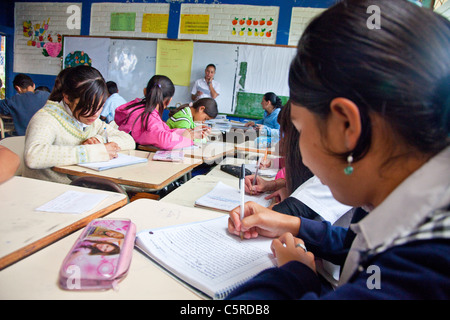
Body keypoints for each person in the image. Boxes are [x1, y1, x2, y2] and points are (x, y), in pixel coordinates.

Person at [227, 0, 450, 299]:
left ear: (346, 127)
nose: (300, 153)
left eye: (301, 129)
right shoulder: (417, 201)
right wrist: (291, 224)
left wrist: (294, 277)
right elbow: (355, 243)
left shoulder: (427, 266)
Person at [23, 66, 135, 184]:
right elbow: (33, 156)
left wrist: (100, 140)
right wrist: (91, 152)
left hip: (79, 186)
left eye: (100, 106)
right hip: (48, 190)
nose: (95, 114)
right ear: (67, 97)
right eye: (88, 107)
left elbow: (129, 141)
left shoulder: (90, 120)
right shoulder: (47, 118)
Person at [115, 75, 205, 150]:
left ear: (145, 91)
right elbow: (164, 140)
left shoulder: (135, 108)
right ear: (169, 101)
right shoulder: (150, 116)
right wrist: (186, 139)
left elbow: (164, 130)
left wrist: (189, 132)